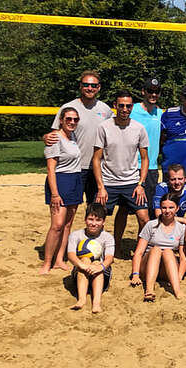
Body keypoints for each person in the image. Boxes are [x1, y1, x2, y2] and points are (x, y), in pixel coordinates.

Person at [92, 90, 150, 252]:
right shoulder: (104, 127)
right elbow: (96, 159)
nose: (125, 109)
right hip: (108, 183)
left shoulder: (139, 128)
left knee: (144, 218)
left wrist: (141, 184)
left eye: (128, 106)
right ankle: (100, 249)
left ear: (132, 107)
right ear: (115, 106)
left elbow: (145, 159)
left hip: (131, 182)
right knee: (96, 219)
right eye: (122, 105)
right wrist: (101, 187)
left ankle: (140, 252)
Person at [45, 70, 113, 205]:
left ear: (99, 87)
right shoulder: (68, 107)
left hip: (98, 168)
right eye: (86, 84)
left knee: (96, 209)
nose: (90, 88)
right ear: (80, 86)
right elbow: (54, 134)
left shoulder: (105, 109)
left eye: (93, 85)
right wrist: (45, 137)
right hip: (74, 168)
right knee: (69, 208)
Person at [39, 107, 83, 275]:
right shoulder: (54, 138)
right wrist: (55, 194)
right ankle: (47, 262)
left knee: (67, 225)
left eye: (75, 119)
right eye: (68, 119)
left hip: (75, 180)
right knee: (56, 225)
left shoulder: (73, 137)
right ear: (61, 120)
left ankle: (59, 259)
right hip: (60, 181)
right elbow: (50, 169)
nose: (72, 122)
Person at [130, 192, 186, 301]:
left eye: (171, 207)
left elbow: (183, 257)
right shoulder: (151, 225)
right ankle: (149, 290)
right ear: (160, 208)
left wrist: (179, 276)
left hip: (167, 267)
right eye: (164, 207)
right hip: (147, 265)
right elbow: (139, 252)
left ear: (177, 208)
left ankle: (177, 290)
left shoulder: (181, 228)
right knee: (156, 249)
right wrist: (135, 274)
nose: (167, 211)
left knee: (168, 251)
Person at [66, 203, 115, 313]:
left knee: (97, 262)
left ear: (103, 222)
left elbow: (109, 258)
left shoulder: (108, 237)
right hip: (81, 273)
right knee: (85, 259)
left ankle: (96, 304)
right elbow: (71, 255)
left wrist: (100, 267)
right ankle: (81, 299)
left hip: (101, 275)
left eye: (98, 220)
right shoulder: (76, 235)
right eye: (90, 219)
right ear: (85, 219)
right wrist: (82, 265)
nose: (93, 223)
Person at [129, 77, 164, 218]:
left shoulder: (160, 114)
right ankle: (117, 241)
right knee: (125, 209)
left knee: (149, 209)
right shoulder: (131, 109)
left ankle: (145, 240)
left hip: (151, 167)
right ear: (143, 91)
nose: (153, 95)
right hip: (130, 166)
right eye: (150, 91)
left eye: (157, 92)